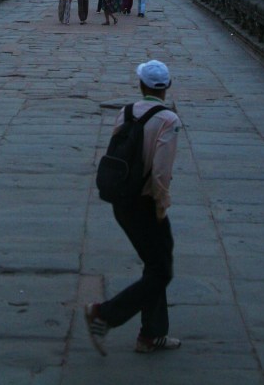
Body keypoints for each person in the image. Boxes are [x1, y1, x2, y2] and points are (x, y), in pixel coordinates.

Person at [85, 59, 181, 355]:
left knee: (157, 264)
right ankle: (104, 313)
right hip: (144, 203)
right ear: (166, 89)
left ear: (141, 86)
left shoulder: (126, 111)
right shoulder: (168, 120)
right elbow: (161, 174)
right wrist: (161, 207)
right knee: (161, 269)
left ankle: (151, 335)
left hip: (121, 199)